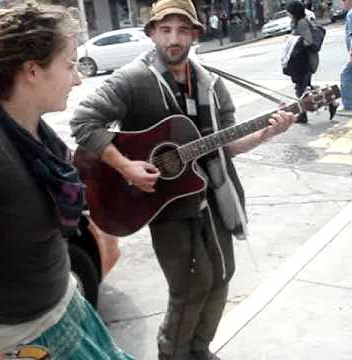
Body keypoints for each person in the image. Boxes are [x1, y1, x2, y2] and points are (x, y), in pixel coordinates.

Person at [70, 0, 296, 359]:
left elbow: (227, 145)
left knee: (222, 274)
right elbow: (83, 123)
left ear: (194, 34)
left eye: (182, 30)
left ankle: (199, 348)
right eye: (165, 29)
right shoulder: (133, 79)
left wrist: (266, 133)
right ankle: (172, 354)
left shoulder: (211, 84)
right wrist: (126, 166)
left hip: (214, 195)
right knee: (189, 286)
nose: (173, 39)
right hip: (164, 203)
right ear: (152, 33)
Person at [0, 3, 133, 360]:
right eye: (69, 65)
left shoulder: (37, 133)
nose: (78, 77)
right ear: (32, 71)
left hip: (66, 303)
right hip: (23, 337)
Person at [285, 0, 319, 123]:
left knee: (301, 89)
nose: (287, 14)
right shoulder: (297, 23)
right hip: (301, 61)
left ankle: (302, 114)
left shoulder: (302, 23)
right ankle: (329, 101)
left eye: (288, 12)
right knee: (305, 88)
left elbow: (308, 41)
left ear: (294, 12)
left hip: (304, 62)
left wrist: (295, 43)